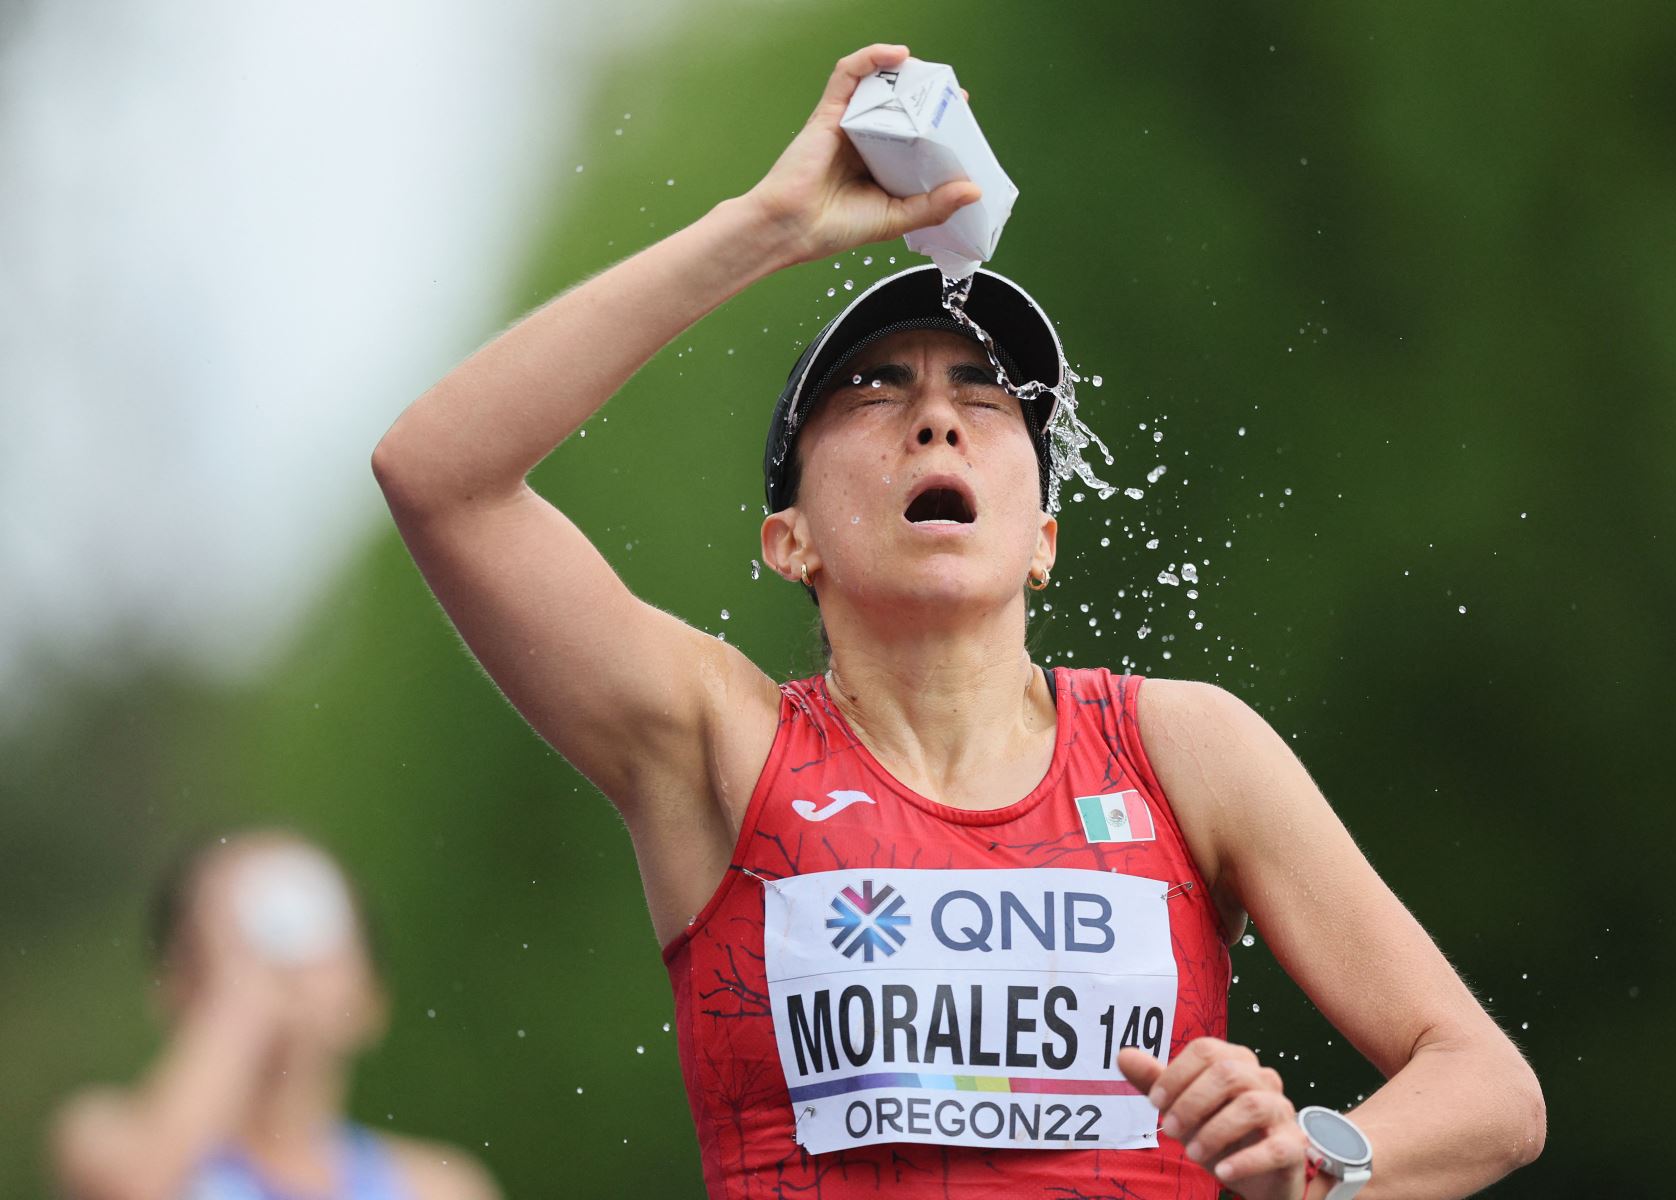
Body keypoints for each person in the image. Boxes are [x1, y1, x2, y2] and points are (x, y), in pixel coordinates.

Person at [370, 42, 1544, 1200]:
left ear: (1041, 541)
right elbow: (439, 476)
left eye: (984, 399)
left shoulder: (1185, 748)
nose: (937, 419)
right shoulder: (719, 744)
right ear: (793, 540)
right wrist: (771, 225)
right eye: (875, 391)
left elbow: (1489, 1090)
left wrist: (1318, 1169)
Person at [50, 832, 500, 1200]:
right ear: (173, 990)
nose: (282, 956)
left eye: (318, 915)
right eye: (229, 932)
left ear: (371, 998)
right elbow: (137, 1186)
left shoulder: (441, 1187)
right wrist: (240, 1001)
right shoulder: (104, 1134)